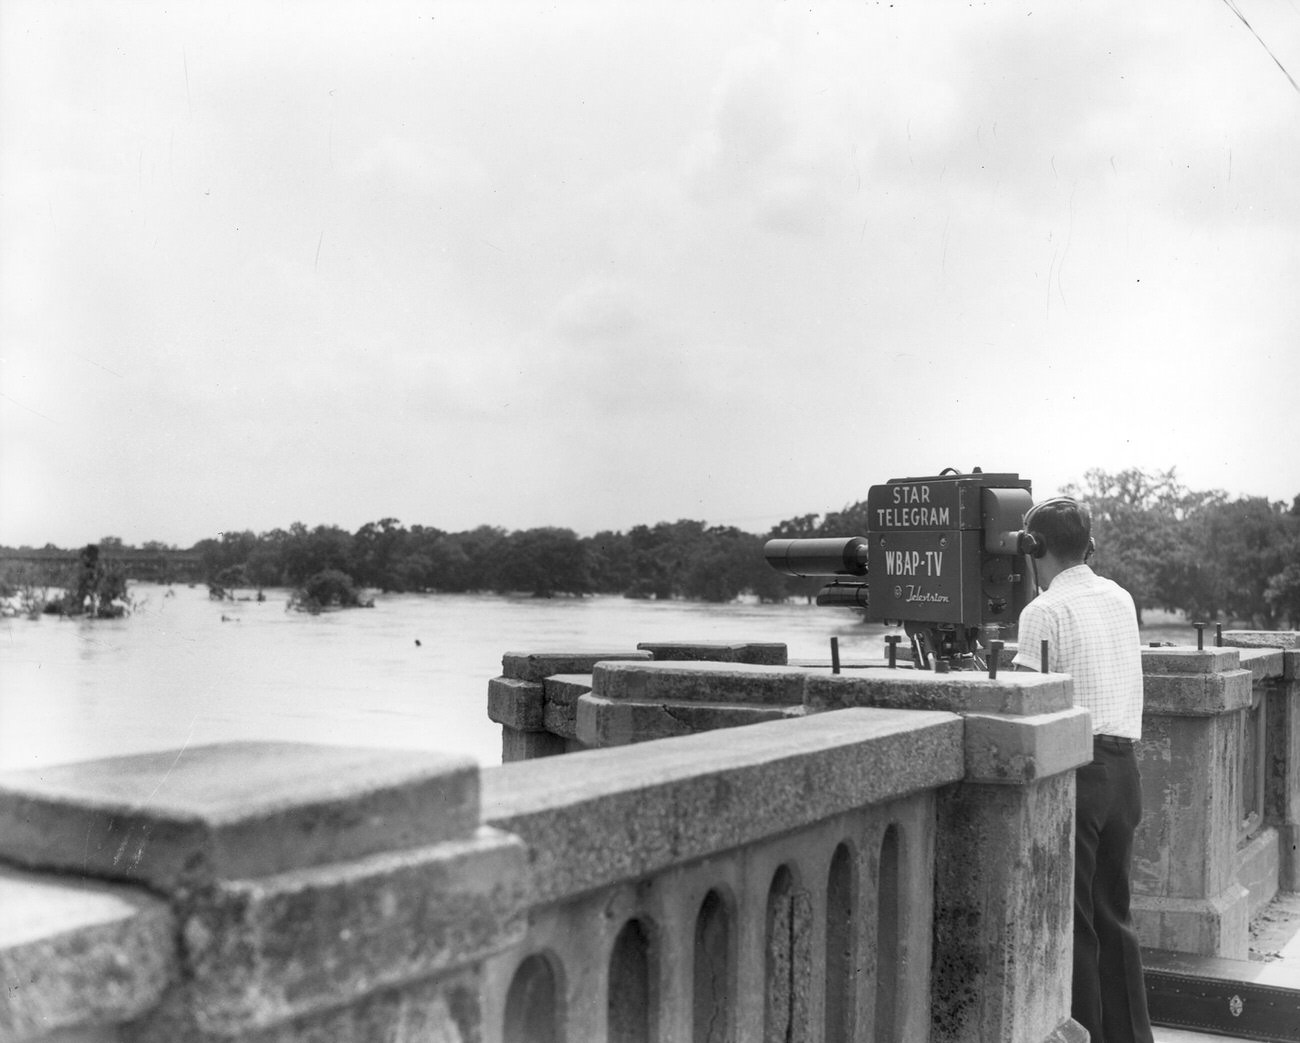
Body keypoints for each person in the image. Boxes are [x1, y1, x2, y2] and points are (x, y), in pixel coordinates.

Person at [1012, 496, 1153, 1043]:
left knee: (1077, 926)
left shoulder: (1044, 611)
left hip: (1082, 774)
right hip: (1125, 774)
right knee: (1114, 917)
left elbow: (1030, 702)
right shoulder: (1119, 597)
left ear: (1035, 547)